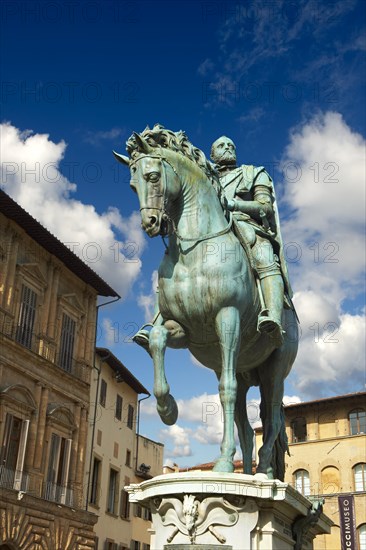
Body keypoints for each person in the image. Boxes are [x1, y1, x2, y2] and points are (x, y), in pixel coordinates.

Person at [210, 136, 293, 347]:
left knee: (265, 256)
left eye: (231, 145)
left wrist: (234, 205)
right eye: (221, 146)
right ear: (212, 155)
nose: (228, 148)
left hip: (247, 226)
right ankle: (157, 321)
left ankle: (273, 317)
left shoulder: (254, 173)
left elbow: (265, 207)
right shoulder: (206, 177)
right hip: (211, 231)